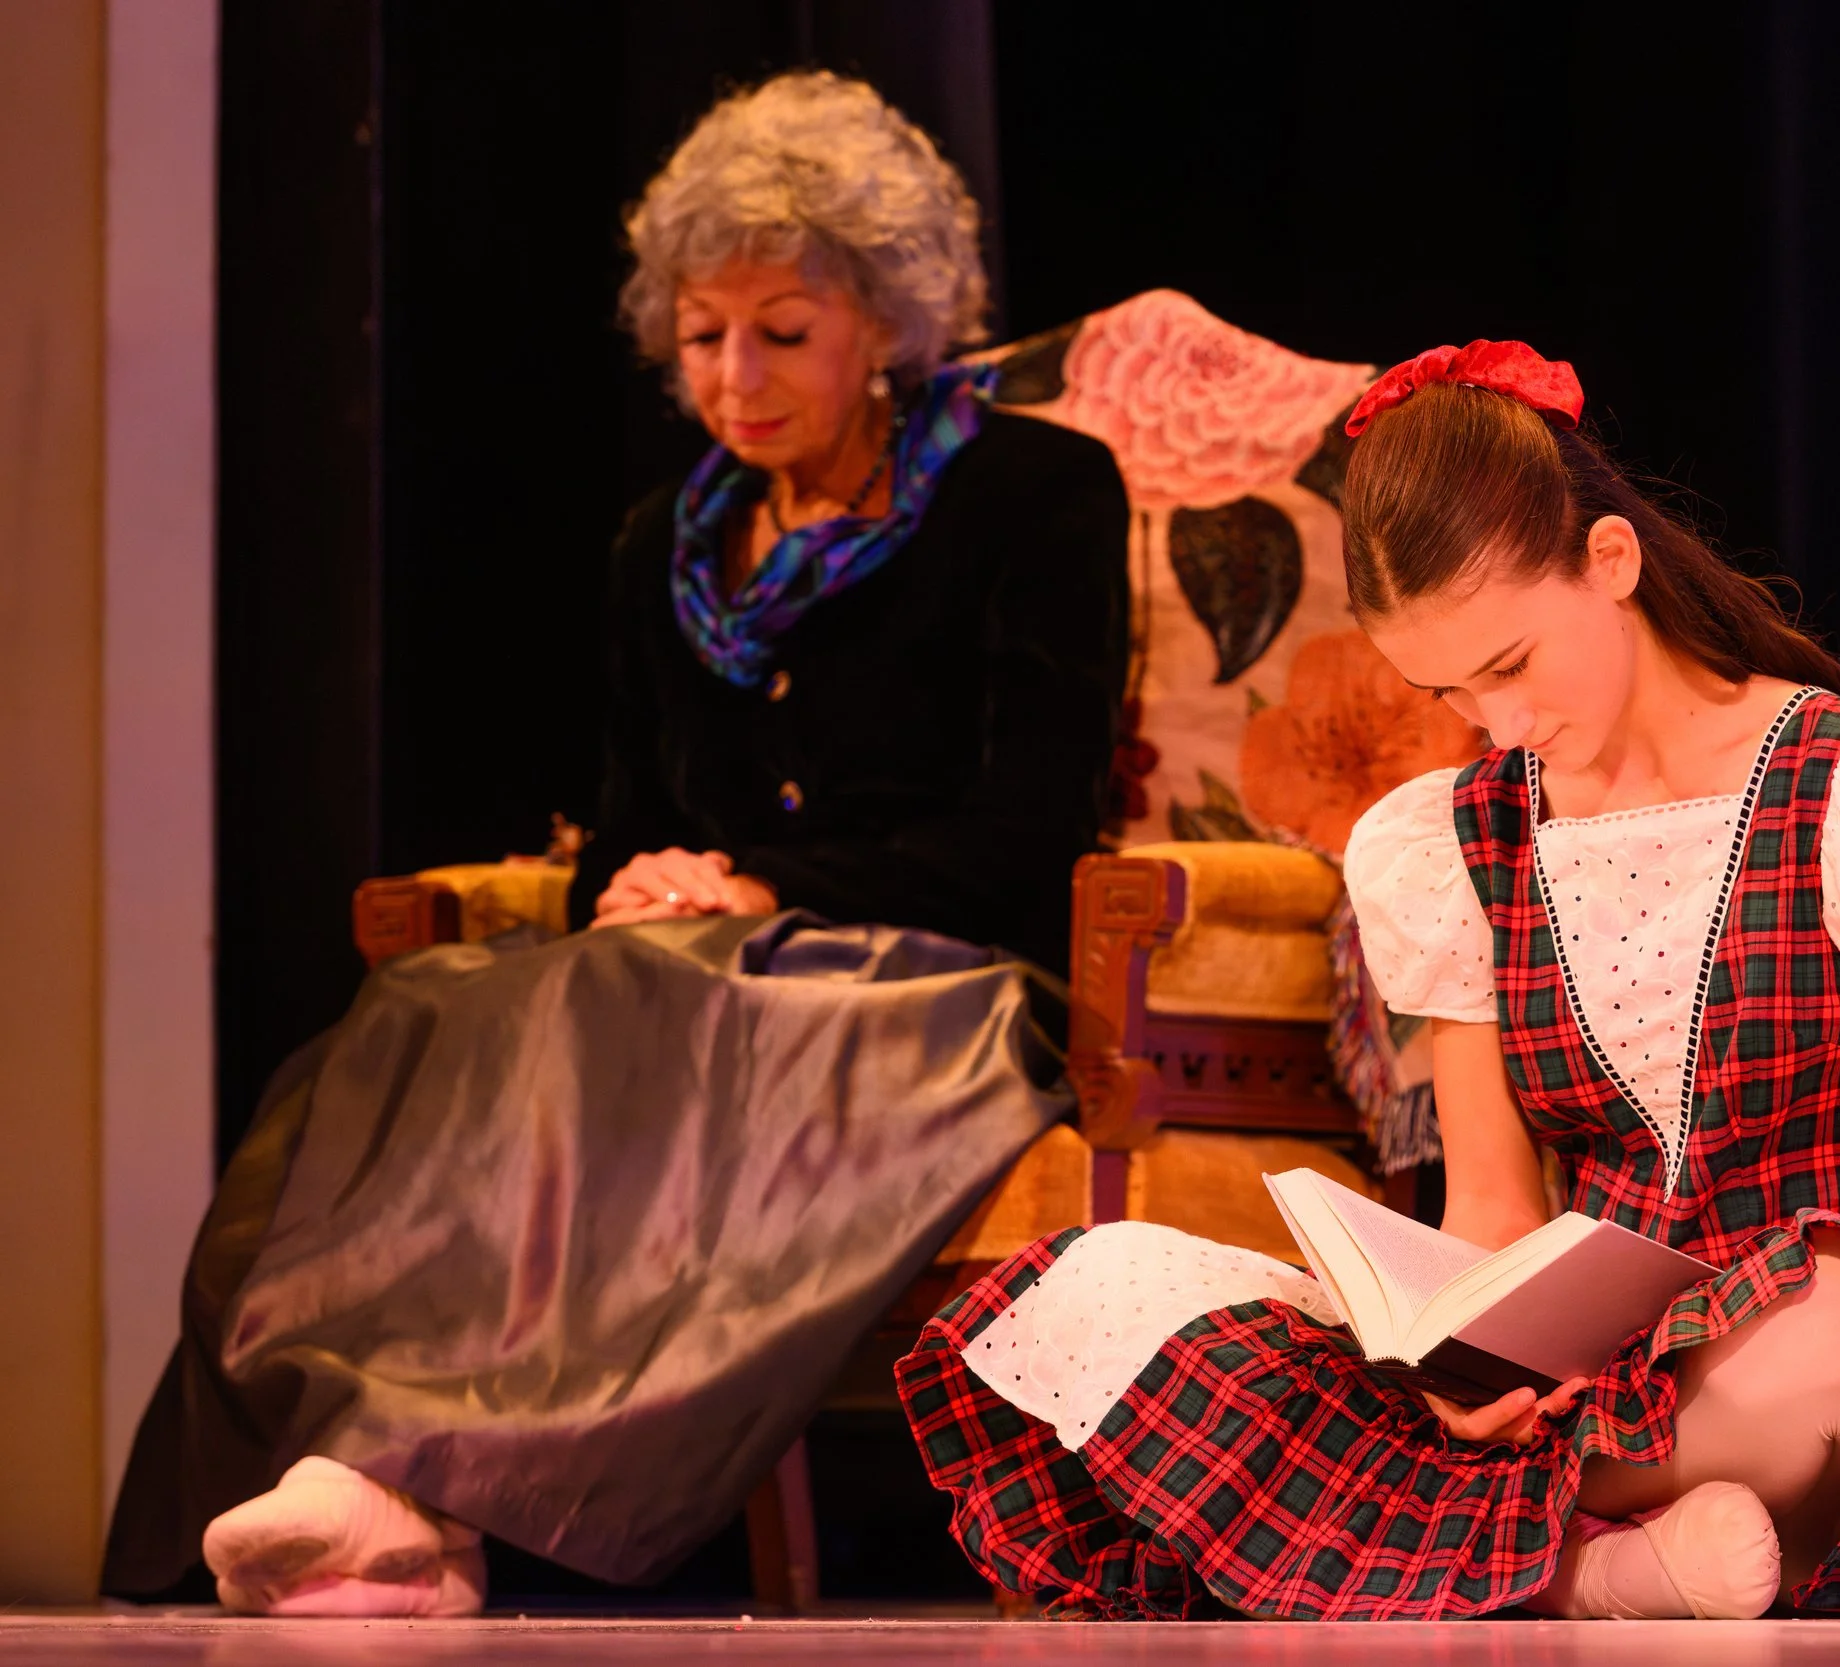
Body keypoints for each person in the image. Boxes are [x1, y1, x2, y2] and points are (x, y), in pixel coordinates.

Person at [101, 72, 1129, 1615]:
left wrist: (765, 883)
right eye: (704, 335)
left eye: (783, 331)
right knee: (417, 1010)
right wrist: (650, 881)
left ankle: (426, 1492)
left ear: (888, 327)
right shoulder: (668, 541)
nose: (736, 374)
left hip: (937, 989)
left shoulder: (1034, 495)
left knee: (636, 994)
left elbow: (1024, 830)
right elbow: (626, 828)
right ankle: (351, 1471)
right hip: (705, 962)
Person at [898, 341, 1840, 1619]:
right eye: (1448, 689)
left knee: (1832, 1347)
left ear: (1612, 564)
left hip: (1795, 1345)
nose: (1496, 722)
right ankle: (1599, 1568)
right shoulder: (1450, 841)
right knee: (1099, 1283)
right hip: (1584, 1386)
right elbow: (1490, 1204)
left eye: (1511, 664)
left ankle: (1474, 1551)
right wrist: (1469, 1360)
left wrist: (1811, 1296)